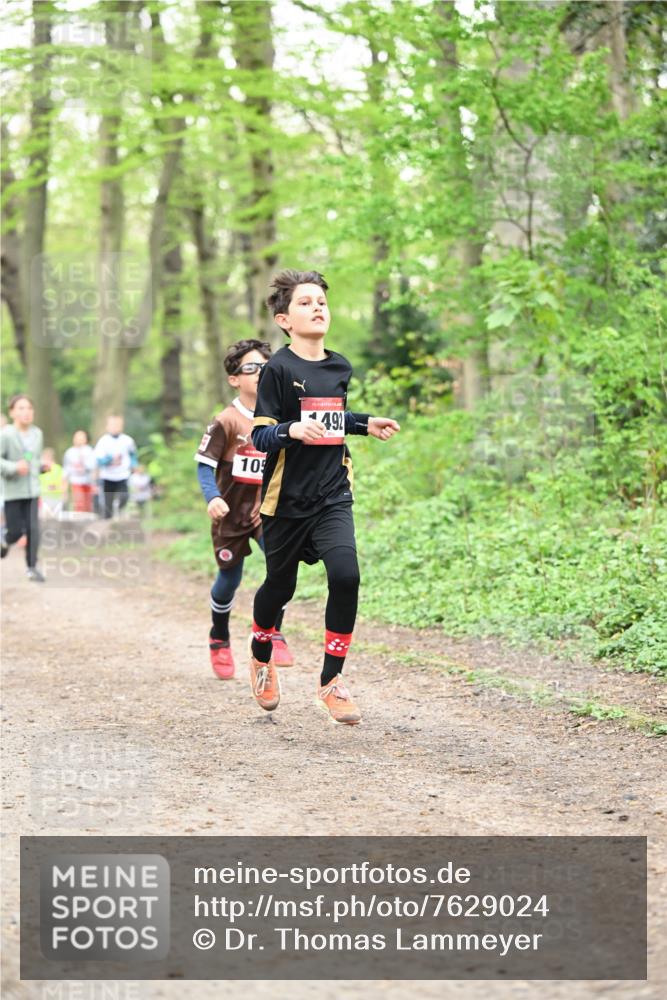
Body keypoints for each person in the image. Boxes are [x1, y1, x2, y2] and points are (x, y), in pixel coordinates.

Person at [249, 269, 400, 724]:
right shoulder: (277, 369)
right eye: (305, 302)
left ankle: (331, 681)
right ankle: (261, 655)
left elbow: (331, 418)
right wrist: (290, 429)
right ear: (284, 319)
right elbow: (260, 436)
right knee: (281, 586)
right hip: (285, 500)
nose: (317, 307)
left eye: (322, 302)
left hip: (332, 492)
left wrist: (363, 422)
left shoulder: (339, 366)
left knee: (346, 574)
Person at [195, 339, 293, 680]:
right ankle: (219, 636)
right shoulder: (226, 420)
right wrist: (212, 497)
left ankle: (271, 630)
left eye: (266, 367)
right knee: (230, 577)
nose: (260, 373)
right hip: (231, 515)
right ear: (235, 379)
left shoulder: (280, 415)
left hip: (268, 512)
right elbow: (204, 466)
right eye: (252, 368)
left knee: (282, 569)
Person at [0, 394, 46, 581]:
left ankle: (32, 567)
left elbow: (33, 460)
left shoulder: (38, 434)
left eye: (29, 408)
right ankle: (4, 540)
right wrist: (14, 467)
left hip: (33, 490)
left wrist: (41, 467)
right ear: (12, 412)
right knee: (16, 531)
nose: (26, 412)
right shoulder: (6, 435)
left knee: (33, 529)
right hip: (13, 491)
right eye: (21, 408)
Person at [93, 415, 137, 519]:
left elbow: (133, 454)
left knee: (124, 497)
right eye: (113, 425)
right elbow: (99, 460)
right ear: (107, 427)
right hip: (108, 476)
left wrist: (134, 465)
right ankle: (108, 525)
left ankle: (118, 509)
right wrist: (110, 459)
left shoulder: (128, 440)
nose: (115, 427)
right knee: (107, 504)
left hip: (123, 475)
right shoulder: (103, 441)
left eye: (117, 425)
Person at [63, 430, 96, 513]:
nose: (80, 439)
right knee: (79, 503)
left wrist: (95, 484)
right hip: (76, 481)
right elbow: (66, 470)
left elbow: (93, 468)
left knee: (88, 505)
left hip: (88, 481)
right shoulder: (69, 452)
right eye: (78, 437)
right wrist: (64, 487)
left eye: (82, 437)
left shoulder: (89, 451)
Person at [39, 448, 65, 518]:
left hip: (57, 498)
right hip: (44, 498)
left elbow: (63, 482)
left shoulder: (58, 468)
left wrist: (63, 493)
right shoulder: (41, 469)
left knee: (56, 517)